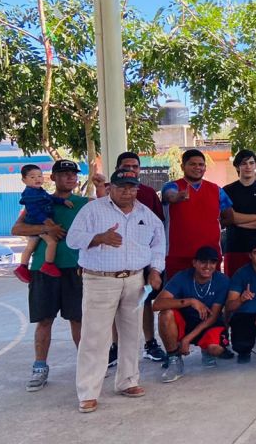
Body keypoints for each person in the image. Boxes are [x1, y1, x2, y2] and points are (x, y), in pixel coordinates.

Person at [66, 168, 165, 413]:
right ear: (111, 188)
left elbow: (158, 245)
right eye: (122, 187)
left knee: (131, 333)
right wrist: (98, 238)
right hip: (100, 280)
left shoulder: (146, 214)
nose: (127, 192)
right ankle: (88, 392)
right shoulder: (92, 210)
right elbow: (72, 239)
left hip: (135, 280)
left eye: (132, 187)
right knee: (95, 337)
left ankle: (127, 381)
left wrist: (155, 270)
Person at [11, 159, 87, 392]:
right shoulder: (38, 199)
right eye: (64, 174)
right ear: (52, 178)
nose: (70, 177)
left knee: (78, 319)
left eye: (73, 174)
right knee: (44, 320)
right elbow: (17, 229)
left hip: (75, 269)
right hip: (43, 269)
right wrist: (47, 228)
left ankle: (86, 367)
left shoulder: (83, 203)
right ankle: (39, 367)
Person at [94, 152, 168, 363]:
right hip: (111, 261)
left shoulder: (148, 193)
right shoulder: (107, 191)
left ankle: (150, 343)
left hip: (141, 260)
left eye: (135, 166)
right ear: (117, 169)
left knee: (144, 301)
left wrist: (155, 265)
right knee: (114, 305)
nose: (131, 170)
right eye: (127, 166)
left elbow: (158, 228)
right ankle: (115, 346)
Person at [152, 246, 230, 383]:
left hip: (208, 325)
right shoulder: (182, 277)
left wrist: (187, 339)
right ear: (194, 263)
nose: (208, 266)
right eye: (203, 262)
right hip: (186, 322)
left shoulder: (222, 280)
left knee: (216, 349)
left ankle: (206, 350)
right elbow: (156, 304)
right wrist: (190, 301)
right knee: (165, 314)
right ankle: (174, 359)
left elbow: (213, 317)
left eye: (212, 262)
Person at [162, 149, 233, 277]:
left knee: (211, 290)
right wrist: (177, 197)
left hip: (210, 257)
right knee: (176, 290)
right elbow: (169, 196)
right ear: (183, 166)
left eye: (201, 164)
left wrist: (210, 226)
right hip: (178, 256)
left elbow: (229, 217)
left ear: (205, 167)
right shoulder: (172, 186)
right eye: (192, 164)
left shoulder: (217, 190)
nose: (197, 167)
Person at [222, 149, 256, 277]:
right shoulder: (227, 190)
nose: (248, 166)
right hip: (235, 248)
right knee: (234, 287)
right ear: (237, 166)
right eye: (244, 163)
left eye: (251, 163)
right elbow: (231, 217)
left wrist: (241, 223)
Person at [14, 164, 72, 282]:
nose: (37, 179)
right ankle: (48, 264)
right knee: (52, 242)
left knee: (30, 247)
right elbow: (33, 210)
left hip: (38, 222)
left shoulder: (39, 191)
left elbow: (50, 198)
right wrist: (45, 222)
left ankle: (23, 266)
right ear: (24, 180)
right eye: (32, 177)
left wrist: (62, 201)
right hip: (38, 222)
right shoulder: (30, 194)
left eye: (39, 176)